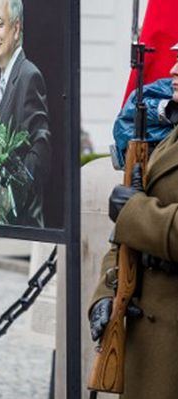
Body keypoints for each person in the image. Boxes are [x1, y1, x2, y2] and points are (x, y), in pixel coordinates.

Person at [89, 43, 178, 399]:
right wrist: (106, 293)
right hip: (148, 339)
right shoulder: (169, 135)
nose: (172, 70)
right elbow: (123, 240)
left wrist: (134, 210)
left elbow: (133, 217)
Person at [0, 0, 50, 227]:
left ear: (16, 29)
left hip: (24, 225)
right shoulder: (1, 80)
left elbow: (41, 147)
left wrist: (11, 196)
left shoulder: (28, 75)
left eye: (0, 24)